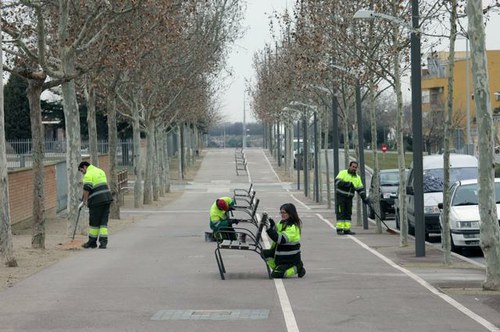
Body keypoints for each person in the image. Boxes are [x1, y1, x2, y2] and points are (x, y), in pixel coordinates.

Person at [262, 203, 306, 278]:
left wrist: (269, 229)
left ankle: (298, 267)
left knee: (276, 274)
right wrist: (271, 224)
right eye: (281, 212)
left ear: (290, 213)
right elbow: (276, 231)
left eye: (284, 213)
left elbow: (280, 239)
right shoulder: (282, 222)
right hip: (280, 255)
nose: (282, 214)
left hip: (290, 259)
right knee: (263, 253)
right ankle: (278, 267)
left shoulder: (292, 227)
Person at [78, 161, 113, 249]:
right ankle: (103, 243)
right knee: (103, 222)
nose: (82, 173)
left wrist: (83, 202)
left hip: (97, 202)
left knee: (94, 223)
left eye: (82, 171)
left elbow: (87, 189)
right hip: (107, 199)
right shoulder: (100, 171)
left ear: (85, 167)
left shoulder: (88, 174)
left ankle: (92, 242)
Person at [335, 161, 368, 235]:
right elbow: (337, 182)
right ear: (349, 166)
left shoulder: (357, 178)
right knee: (341, 212)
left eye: (355, 167)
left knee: (348, 213)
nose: (354, 169)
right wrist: (348, 184)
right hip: (341, 197)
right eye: (353, 167)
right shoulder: (343, 173)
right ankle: (339, 229)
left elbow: (360, 189)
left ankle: (347, 229)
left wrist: (364, 198)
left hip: (349, 198)